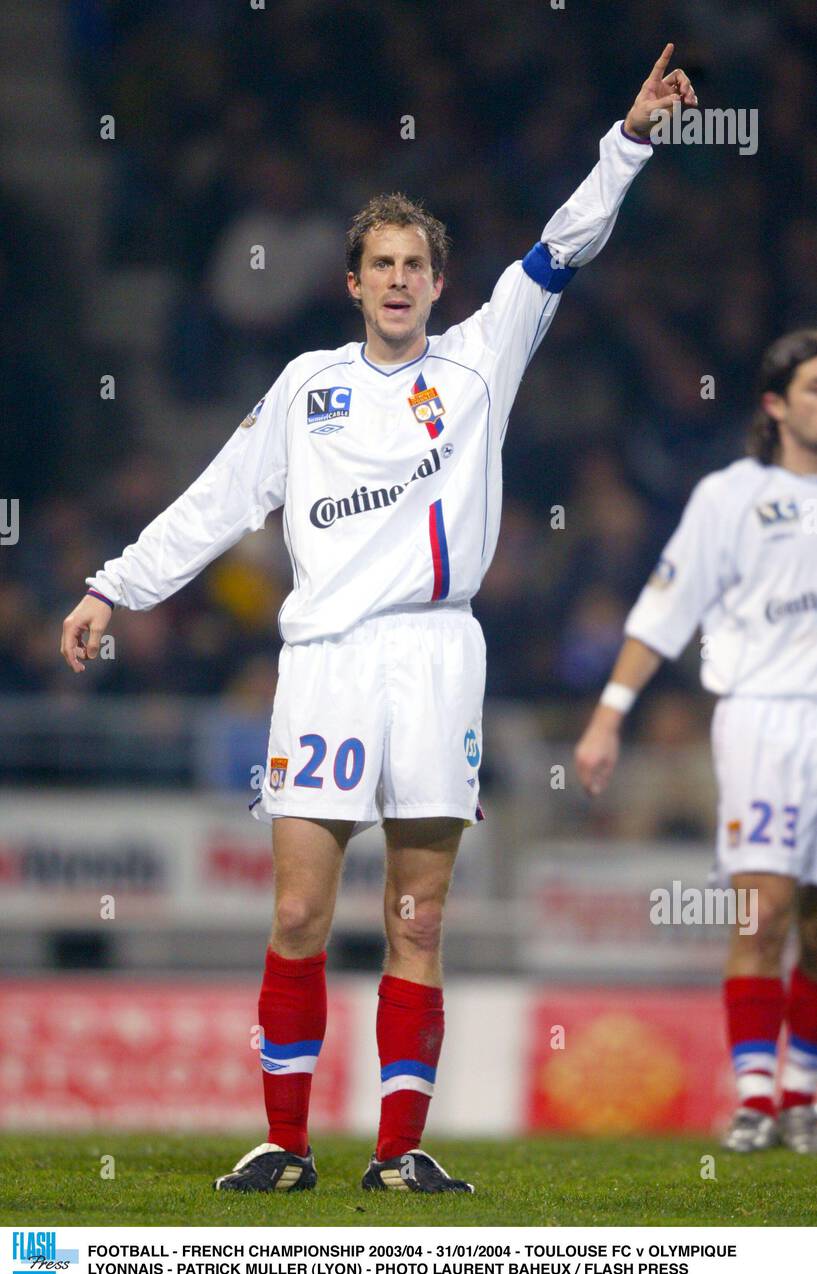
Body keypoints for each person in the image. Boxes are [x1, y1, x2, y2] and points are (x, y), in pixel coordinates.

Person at [63, 46, 696, 1194]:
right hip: (325, 663)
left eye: (415, 263)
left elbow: (563, 245)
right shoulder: (306, 389)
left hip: (437, 656)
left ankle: (399, 1153)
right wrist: (115, 586)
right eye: (380, 264)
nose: (399, 280)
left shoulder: (478, 364)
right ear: (350, 283)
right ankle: (288, 1142)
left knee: (417, 913)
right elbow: (217, 499)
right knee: (301, 906)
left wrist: (630, 140)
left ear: (438, 283)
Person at [575, 328, 817, 1156]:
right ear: (775, 404)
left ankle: (801, 1097)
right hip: (761, 715)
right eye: (813, 389)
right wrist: (610, 714)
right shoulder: (729, 496)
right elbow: (665, 609)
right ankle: (753, 1097)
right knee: (761, 910)